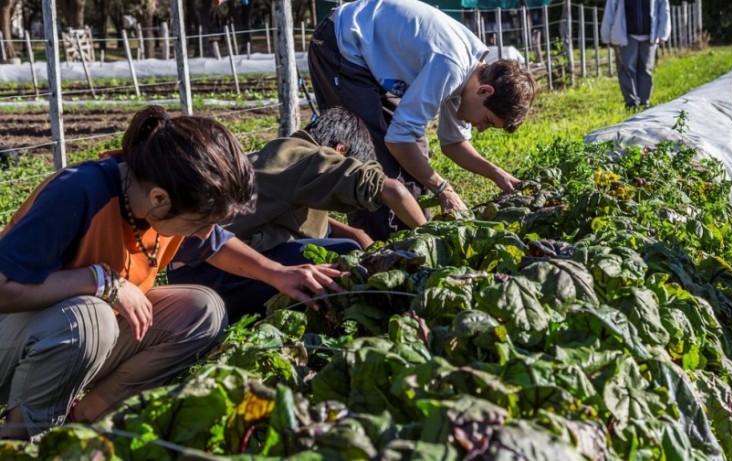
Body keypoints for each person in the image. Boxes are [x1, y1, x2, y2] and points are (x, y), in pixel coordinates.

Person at [0, 106, 345, 440]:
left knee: (202, 310)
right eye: (198, 222)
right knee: (91, 317)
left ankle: (85, 419)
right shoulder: (79, 192)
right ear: (159, 199)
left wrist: (279, 274)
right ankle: (21, 438)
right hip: (18, 338)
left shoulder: (158, 201)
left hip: (62, 343)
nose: (199, 233)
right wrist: (102, 282)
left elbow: (216, 244)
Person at [168, 107, 427, 321]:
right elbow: (394, 191)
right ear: (340, 151)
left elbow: (303, 216)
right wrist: (431, 242)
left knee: (348, 242)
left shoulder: (285, 154)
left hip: (195, 269)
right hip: (212, 272)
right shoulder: (311, 158)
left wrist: (356, 232)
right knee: (344, 255)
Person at [308, 0, 536, 241]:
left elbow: (453, 143)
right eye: (488, 121)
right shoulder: (450, 66)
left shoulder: (471, 73)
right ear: (485, 91)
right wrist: (442, 188)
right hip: (341, 45)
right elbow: (398, 141)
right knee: (372, 162)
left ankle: (417, 239)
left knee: (415, 156)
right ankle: (376, 250)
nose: (480, 128)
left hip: (371, 59)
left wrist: (497, 174)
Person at [600, 0, 671, 110]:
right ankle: (631, 103)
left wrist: (663, 33)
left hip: (649, 35)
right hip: (626, 36)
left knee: (646, 70)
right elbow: (610, 10)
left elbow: (664, 9)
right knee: (627, 70)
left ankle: (644, 103)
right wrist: (606, 34)